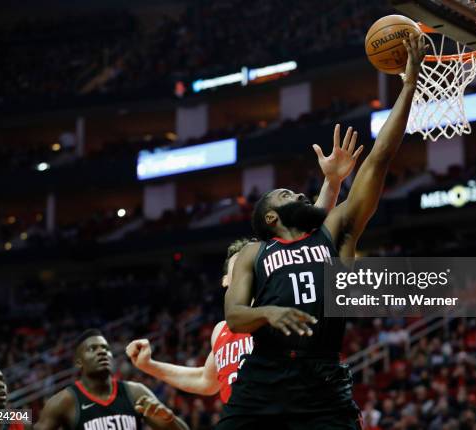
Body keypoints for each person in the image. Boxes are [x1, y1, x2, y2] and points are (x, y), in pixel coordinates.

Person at [218, 33, 427, 429]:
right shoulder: (254, 253)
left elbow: (379, 158)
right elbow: (235, 317)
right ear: (269, 218)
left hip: (323, 382)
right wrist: (268, 312)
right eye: (285, 194)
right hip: (263, 381)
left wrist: (410, 85)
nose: (297, 192)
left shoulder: (335, 232)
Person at [125, 140, 363, 403]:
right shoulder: (221, 330)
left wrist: (332, 183)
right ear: (228, 279)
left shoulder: (282, 307)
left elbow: (308, 231)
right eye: (241, 265)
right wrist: (149, 366)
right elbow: (206, 381)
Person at [34, 329, 188, 430]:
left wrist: (169, 418)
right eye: (92, 349)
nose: (102, 352)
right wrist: (11, 415)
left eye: (106, 348)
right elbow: (29, 422)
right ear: (78, 362)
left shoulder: (135, 392)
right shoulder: (65, 401)